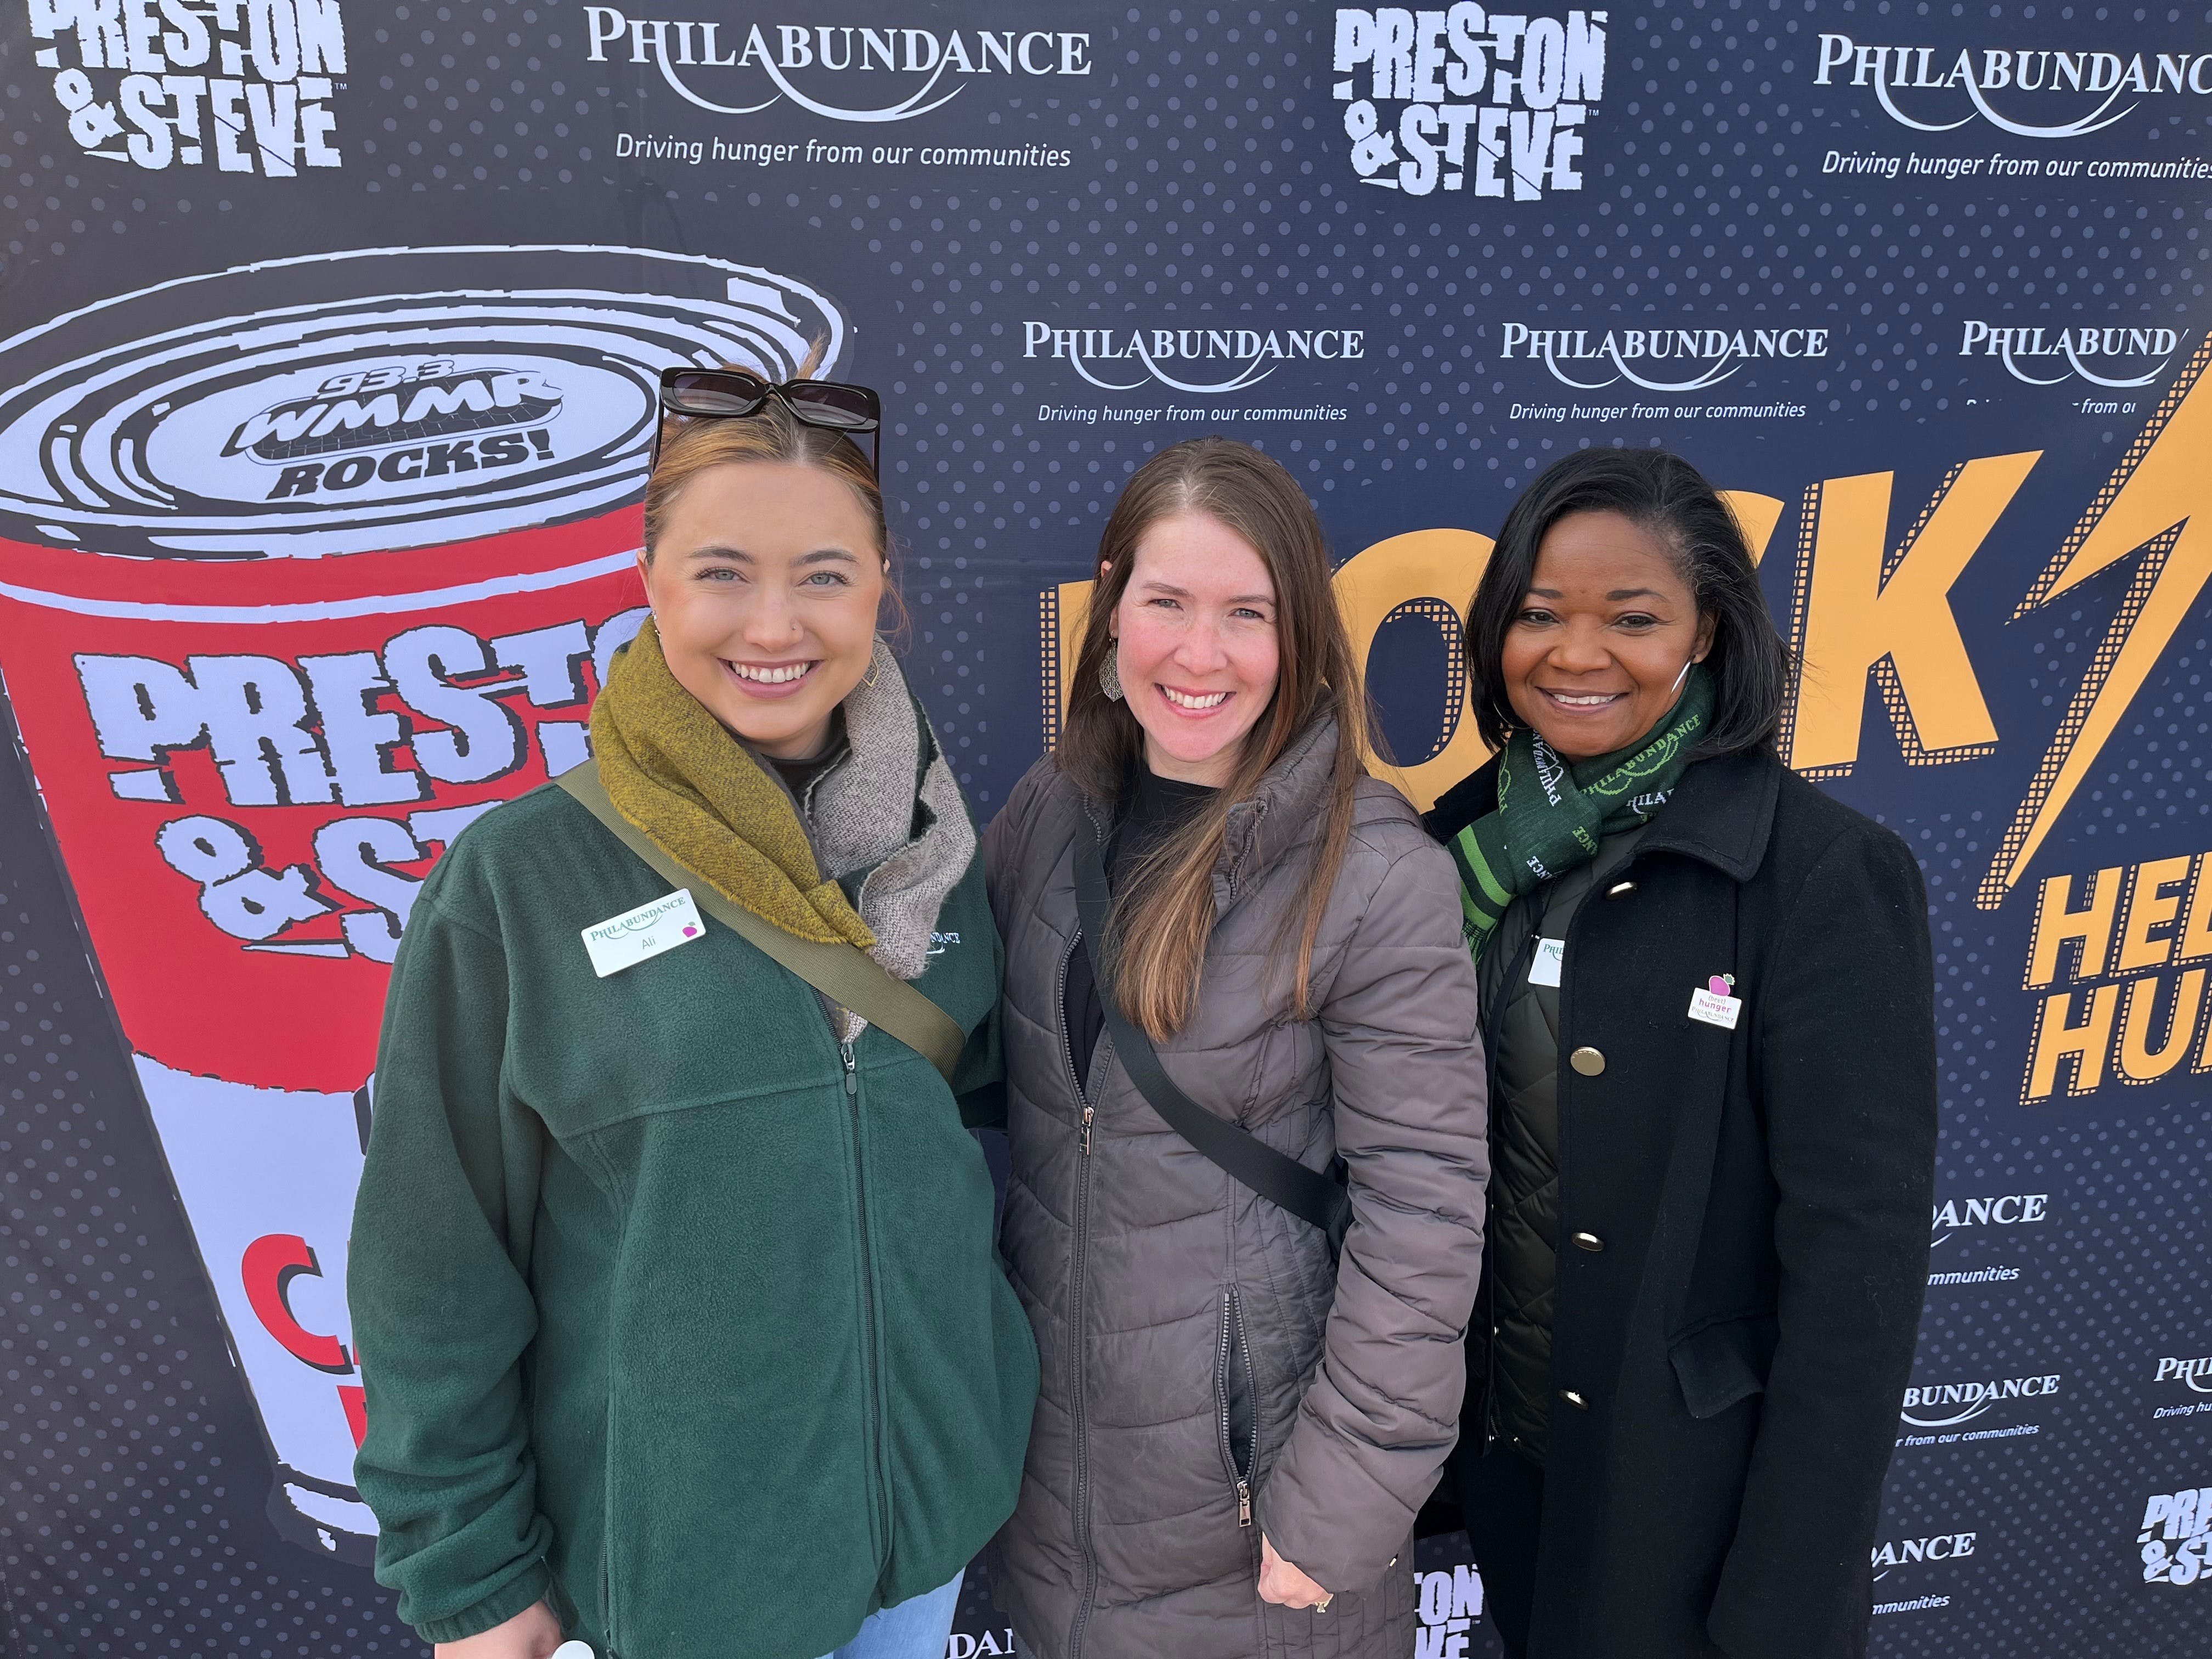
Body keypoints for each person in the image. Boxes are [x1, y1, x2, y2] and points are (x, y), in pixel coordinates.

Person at [347, 364, 1039, 1659]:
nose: (774, 622)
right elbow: (430, 1264)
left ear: (883, 584)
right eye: (724, 571)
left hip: (928, 1536)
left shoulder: (936, 849)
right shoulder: (519, 880)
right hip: (685, 1588)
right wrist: (474, 1584)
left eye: (824, 574)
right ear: (651, 578)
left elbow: (954, 1129)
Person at [1424, 447, 1938, 1658]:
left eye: (1633, 618)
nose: (1577, 654)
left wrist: (1793, 1586)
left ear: (1706, 630)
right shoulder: (1459, 851)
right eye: (1538, 616)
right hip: (1512, 1467)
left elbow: (1856, 1276)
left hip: (1694, 1505)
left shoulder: (1820, 877)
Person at [981, 437, 1489, 1657]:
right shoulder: (1050, 812)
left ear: (1300, 634)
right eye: (1166, 603)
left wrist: (1340, 1503)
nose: (1199, 655)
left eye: (1245, 614)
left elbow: (1424, 1214)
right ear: (1112, 610)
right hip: (1055, 1492)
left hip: (1255, 1520)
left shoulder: (1371, 875)